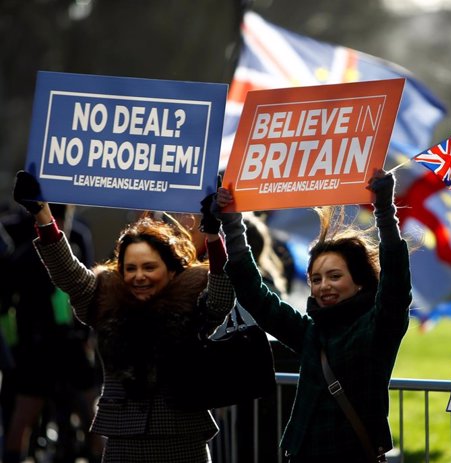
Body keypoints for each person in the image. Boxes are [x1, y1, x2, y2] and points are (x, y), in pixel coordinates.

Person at [11, 170, 235, 462]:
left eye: (149, 267)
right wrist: (42, 213)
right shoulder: (108, 301)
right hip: (123, 442)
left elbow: (221, 297)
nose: (139, 276)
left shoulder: (192, 301)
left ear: (170, 271)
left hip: (183, 441)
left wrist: (214, 236)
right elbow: (69, 273)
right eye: (131, 268)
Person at [215, 169, 411, 463]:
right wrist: (232, 222)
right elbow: (256, 297)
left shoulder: (377, 326)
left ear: (358, 281)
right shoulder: (311, 333)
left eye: (334, 276)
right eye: (316, 279)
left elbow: (395, 284)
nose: (324, 286)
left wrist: (384, 210)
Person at [0, 203, 103, 463]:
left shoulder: (72, 246)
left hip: (57, 346)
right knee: (27, 417)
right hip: (42, 347)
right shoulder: (28, 256)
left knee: (92, 417)